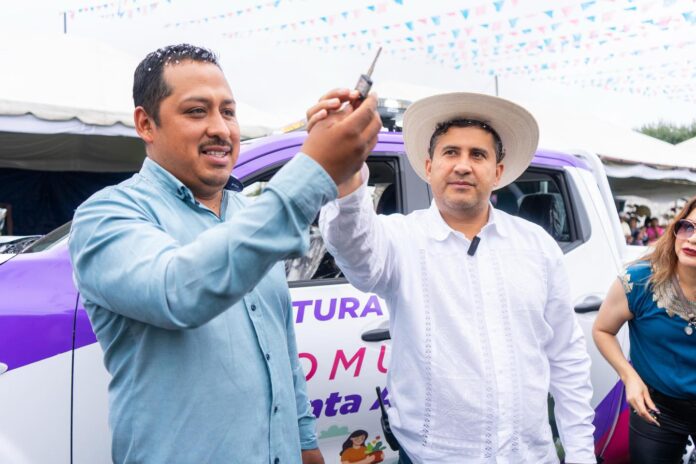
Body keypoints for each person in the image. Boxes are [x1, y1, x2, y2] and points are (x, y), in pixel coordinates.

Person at [68, 44, 381, 463]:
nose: (220, 129)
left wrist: (305, 441)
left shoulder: (250, 214)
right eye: (197, 111)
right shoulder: (107, 216)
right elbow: (178, 291)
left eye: (228, 112)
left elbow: (282, 348)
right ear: (146, 124)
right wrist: (314, 167)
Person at [314, 92, 596, 463]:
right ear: (429, 166)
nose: (463, 166)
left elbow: (567, 356)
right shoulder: (400, 240)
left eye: (477, 155)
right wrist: (345, 169)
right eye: (451, 153)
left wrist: (580, 454)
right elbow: (353, 247)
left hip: (529, 454)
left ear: (498, 172)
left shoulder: (537, 246)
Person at [592, 196, 696, 464]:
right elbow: (602, 330)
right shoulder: (639, 281)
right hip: (657, 407)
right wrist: (629, 377)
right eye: (688, 227)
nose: (692, 239)